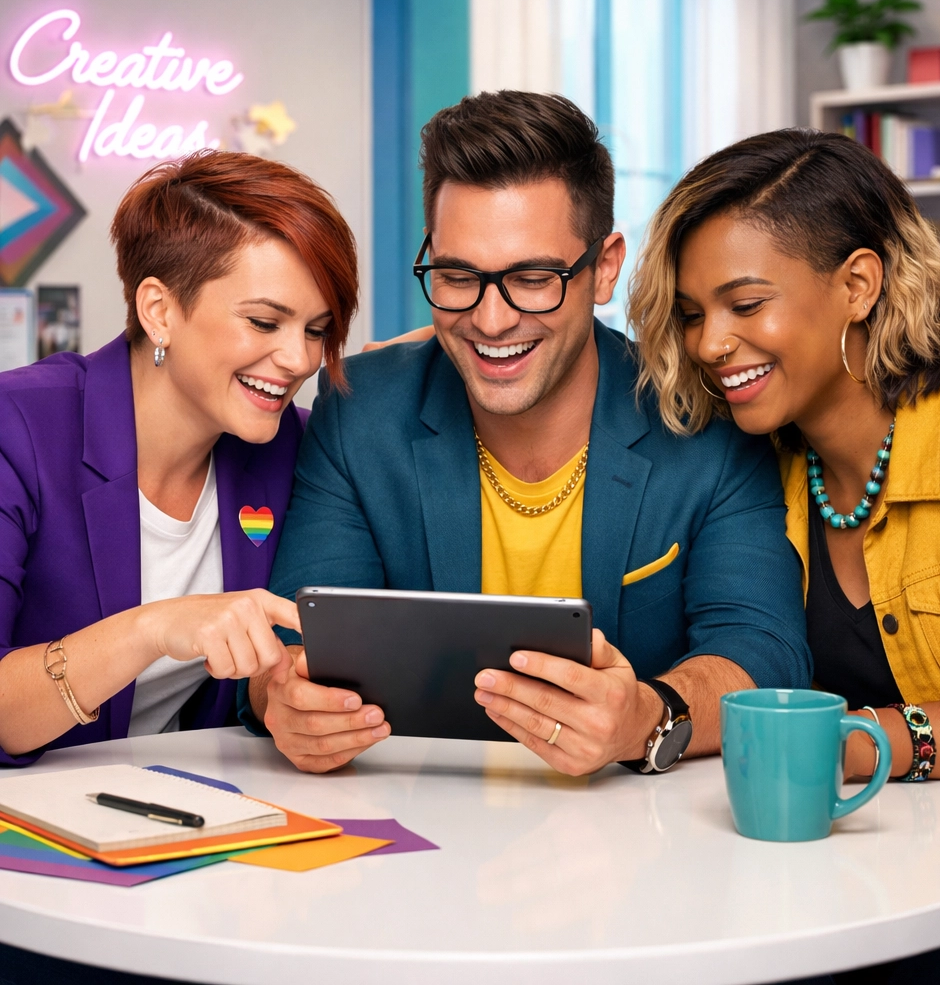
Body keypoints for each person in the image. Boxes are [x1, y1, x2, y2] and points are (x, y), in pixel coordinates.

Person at [242, 90, 809, 777]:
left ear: (604, 268)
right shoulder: (359, 410)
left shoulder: (705, 419)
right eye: (457, 276)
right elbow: (292, 642)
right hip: (416, 831)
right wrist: (285, 700)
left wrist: (647, 716)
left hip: (642, 842)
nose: (490, 320)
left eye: (533, 278)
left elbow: (761, 648)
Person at [628, 127, 940, 982]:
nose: (707, 344)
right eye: (694, 315)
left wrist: (857, 743)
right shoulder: (750, 469)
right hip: (823, 895)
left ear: (857, 284)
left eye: (744, 304)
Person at [0, 150, 359, 766]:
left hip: (194, 816)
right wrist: (154, 627)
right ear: (159, 311)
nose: (299, 361)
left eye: (316, 329)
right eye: (265, 322)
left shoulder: (295, 446)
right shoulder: (19, 427)